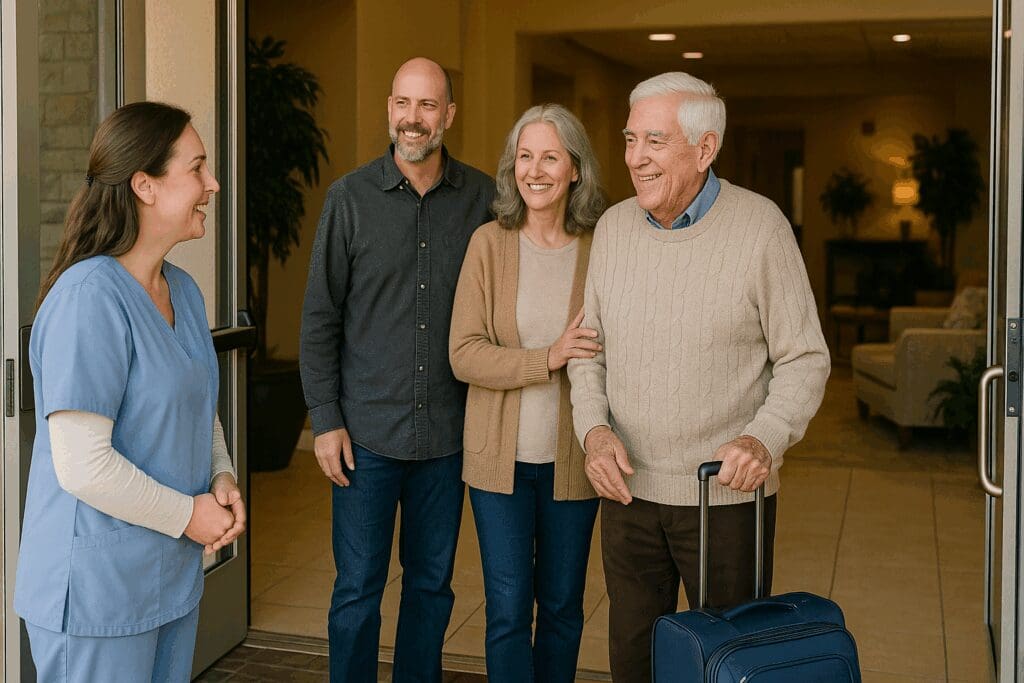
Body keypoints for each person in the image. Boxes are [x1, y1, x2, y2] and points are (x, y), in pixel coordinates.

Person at [567, 72, 830, 683]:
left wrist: (764, 437)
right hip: (628, 491)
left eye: (654, 142)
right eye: (631, 140)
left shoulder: (760, 228)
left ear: (705, 149)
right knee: (633, 660)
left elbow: (805, 357)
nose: (635, 158)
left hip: (724, 498)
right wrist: (594, 432)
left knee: (725, 668)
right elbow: (588, 350)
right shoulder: (612, 229)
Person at [14, 101, 246, 682]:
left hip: (169, 581)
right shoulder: (87, 298)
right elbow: (83, 466)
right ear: (144, 185)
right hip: (97, 595)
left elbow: (197, 407)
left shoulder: (184, 293)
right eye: (197, 169)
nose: (211, 184)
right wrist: (189, 516)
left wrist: (221, 475)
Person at [299, 57, 495, 683]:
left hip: (446, 435)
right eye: (404, 105)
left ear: (449, 115)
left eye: (429, 106)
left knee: (432, 587)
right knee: (357, 591)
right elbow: (319, 318)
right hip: (366, 439)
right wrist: (325, 421)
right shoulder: (349, 199)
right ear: (390, 109)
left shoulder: (484, 200)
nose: (414, 119)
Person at [449, 104, 606, 682]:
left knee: (564, 608)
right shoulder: (489, 244)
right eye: (524, 156)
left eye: (549, 157)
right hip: (500, 466)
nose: (534, 170)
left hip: (574, 462)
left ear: (575, 170)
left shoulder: (601, 248)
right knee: (509, 610)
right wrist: (548, 358)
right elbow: (462, 353)